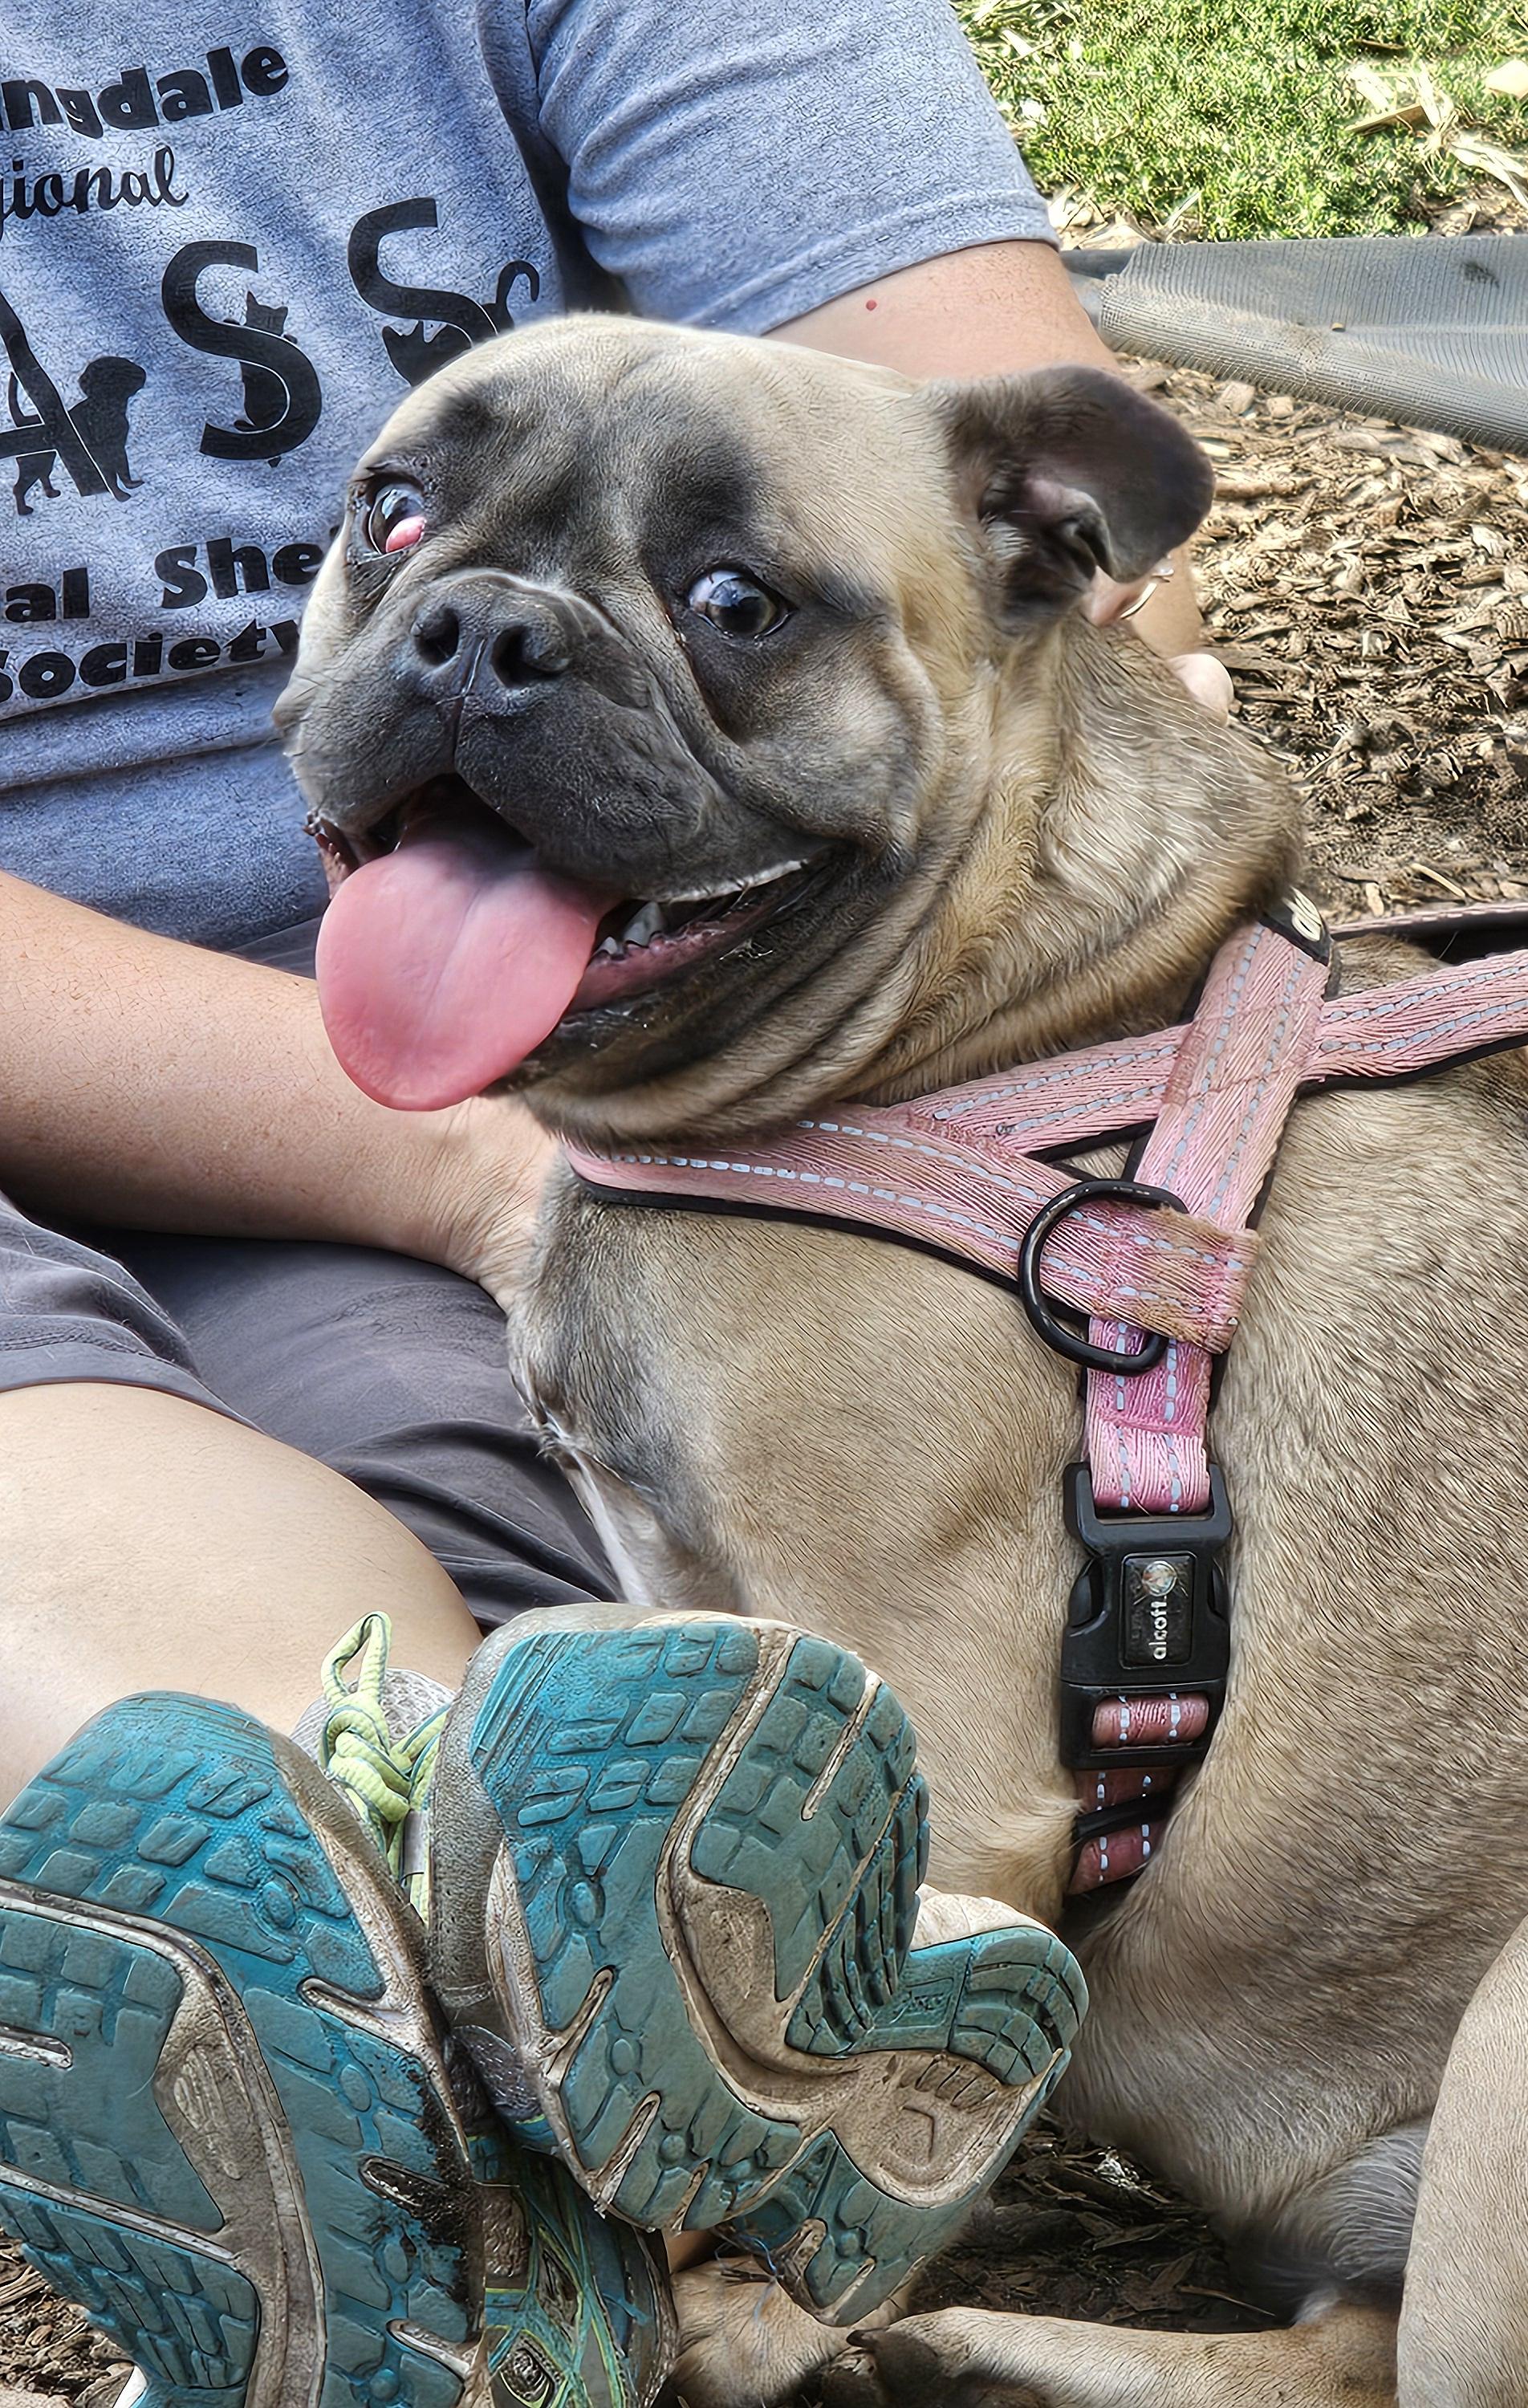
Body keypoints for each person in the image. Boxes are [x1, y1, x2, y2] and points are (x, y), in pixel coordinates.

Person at [0, 3, 1219, 2400]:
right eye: (416, 546)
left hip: (582, 1015)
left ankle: (461, 2057)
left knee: (529, 1578)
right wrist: (492, 1164)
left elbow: (1072, 577)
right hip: (457, 1070)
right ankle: (509, 2087)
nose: (472, 623)